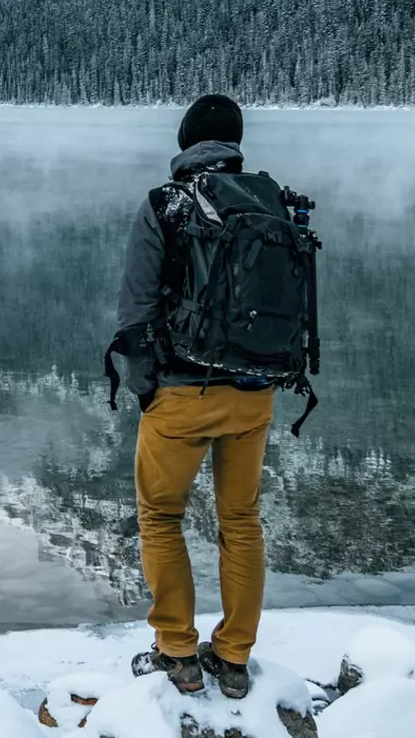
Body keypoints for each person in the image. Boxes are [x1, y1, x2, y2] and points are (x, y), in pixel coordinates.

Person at [110, 94, 277, 702]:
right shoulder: (272, 200)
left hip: (181, 395)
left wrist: (146, 389)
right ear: (234, 144)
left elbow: (135, 312)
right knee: (241, 521)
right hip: (255, 396)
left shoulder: (165, 204)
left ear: (185, 144)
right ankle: (233, 658)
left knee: (160, 519)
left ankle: (177, 651)